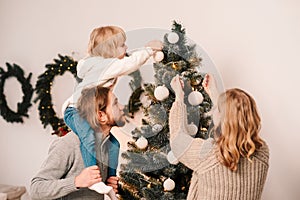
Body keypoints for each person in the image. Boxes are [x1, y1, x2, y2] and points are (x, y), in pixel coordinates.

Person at [62, 26, 163, 197]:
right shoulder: (106, 66)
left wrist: (150, 54)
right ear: (110, 50)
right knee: (89, 137)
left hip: (86, 110)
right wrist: (149, 50)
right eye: (122, 45)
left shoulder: (105, 64)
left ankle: (109, 179)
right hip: (76, 111)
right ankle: (94, 178)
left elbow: (129, 60)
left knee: (113, 143)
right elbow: (129, 63)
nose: (126, 48)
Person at [169, 74, 269, 200]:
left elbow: (178, 140)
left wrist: (179, 97)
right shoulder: (262, 152)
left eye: (217, 110)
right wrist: (215, 95)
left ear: (222, 117)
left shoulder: (207, 153)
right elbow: (233, 121)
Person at [31, 86, 126, 200]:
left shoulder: (109, 146)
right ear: (101, 116)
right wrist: (76, 182)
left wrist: (110, 186)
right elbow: (36, 189)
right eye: (115, 104)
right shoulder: (69, 143)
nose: (122, 107)